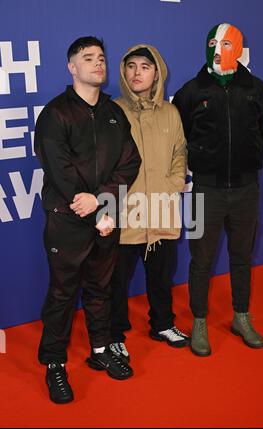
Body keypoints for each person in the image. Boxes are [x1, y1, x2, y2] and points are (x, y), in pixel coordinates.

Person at [34, 36, 141, 404]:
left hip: (105, 215)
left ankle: (100, 350)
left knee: (101, 289)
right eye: (88, 58)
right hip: (68, 218)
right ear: (72, 67)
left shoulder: (115, 113)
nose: (98, 63)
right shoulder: (56, 113)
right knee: (63, 294)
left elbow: (131, 162)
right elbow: (59, 168)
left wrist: (103, 202)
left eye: (101, 58)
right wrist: (97, 208)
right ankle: (54, 365)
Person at [173, 23, 263, 356]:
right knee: (201, 260)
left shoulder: (258, 89)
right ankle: (199, 321)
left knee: (242, 257)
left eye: (226, 43)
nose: (218, 48)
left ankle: (241, 317)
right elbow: (183, 135)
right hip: (206, 191)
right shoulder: (190, 91)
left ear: (239, 47)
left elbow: (261, 130)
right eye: (213, 42)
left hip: (246, 190)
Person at [109, 44, 190, 362]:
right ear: (123, 72)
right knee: (115, 279)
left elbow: (180, 153)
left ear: (157, 73)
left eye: (145, 66)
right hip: (124, 214)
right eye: (131, 66)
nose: (137, 72)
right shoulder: (111, 112)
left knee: (161, 275)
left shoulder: (171, 112)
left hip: (162, 210)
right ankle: (114, 334)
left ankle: (162, 324)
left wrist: (173, 185)